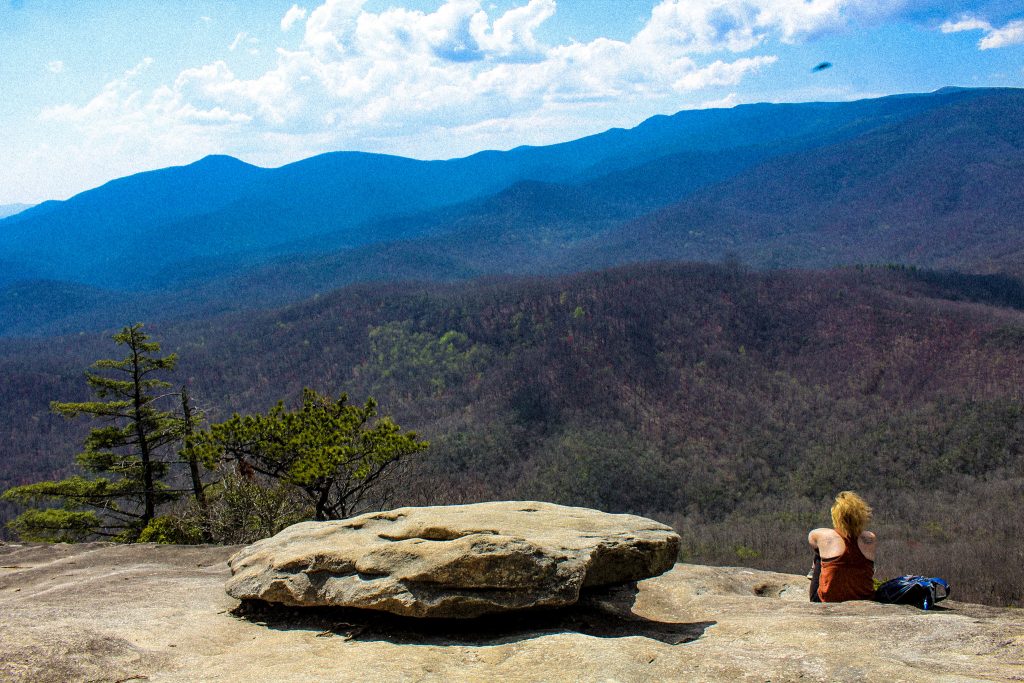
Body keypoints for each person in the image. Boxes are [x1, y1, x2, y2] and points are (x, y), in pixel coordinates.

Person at [807, 491, 877, 602]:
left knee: (819, 554)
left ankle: (813, 573)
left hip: (827, 600)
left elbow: (811, 538)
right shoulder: (870, 538)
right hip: (864, 598)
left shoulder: (823, 536)